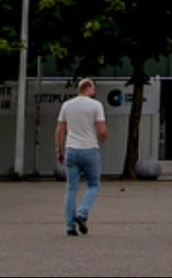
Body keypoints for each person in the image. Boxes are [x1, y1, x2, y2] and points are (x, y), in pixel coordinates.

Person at [54, 76, 108, 236]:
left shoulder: (67, 105)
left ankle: (70, 227)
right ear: (89, 88)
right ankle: (82, 213)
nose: (94, 91)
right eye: (93, 88)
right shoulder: (96, 105)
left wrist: (59, 150)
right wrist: (101, 139)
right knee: (93, 184)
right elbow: (102, 129)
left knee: (71, 189)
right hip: (90, 149)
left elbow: (59, 130)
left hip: (71, 149)